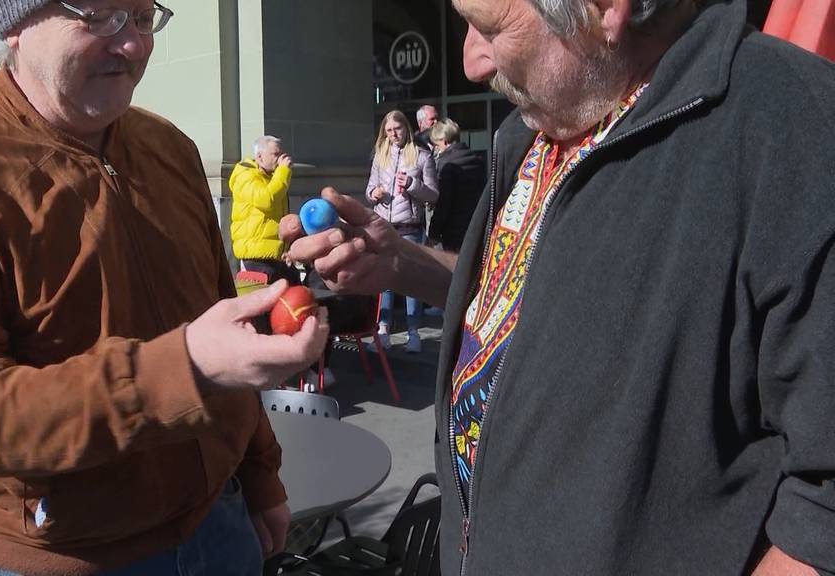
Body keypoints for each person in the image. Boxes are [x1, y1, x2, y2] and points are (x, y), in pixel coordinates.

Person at [282, 0, 835, 573]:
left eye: (490, 29)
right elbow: (530, 303)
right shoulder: (526, 135)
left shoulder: (797, 132)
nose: (471, 61)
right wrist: (401, 263)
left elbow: (823, 521)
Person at [0, 2, 329, 575]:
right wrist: (182, 368)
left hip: (220, 521)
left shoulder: (170, 149)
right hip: (68, 557)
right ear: (15, 27)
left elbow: (218, 323)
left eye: (140, 16)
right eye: (101, 15)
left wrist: (259, 474)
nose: (132, 44)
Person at [365, 110, 438, 353]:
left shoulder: (422, 156)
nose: (393, 134)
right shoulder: (380, 157)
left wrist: (412, 185)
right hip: (384, 225)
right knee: (385, 279)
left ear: (406, 128)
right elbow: (369, 190)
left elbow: (433, 195)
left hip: (410, 226)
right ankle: (383, 330)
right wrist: (374, 194)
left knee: (409, 280)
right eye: (388, 131)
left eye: (397, 129)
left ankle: (413, 333)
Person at [229, 135, 299, 285]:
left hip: (276, 255)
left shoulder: (273, 178)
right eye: (275, 154)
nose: (280, 158)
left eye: (281, 154)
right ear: (259, 156)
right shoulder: (245, 176)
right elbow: (266, 200)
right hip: (256, 257)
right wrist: (283, 172)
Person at [427, 119, 486, 253]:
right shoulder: (477, 159)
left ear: (444, 141)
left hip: (454, 229)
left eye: (436, 145)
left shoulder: (447, 164)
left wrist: (434, 232)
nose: (436, 149)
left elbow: (444, 202)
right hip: (475, 225)